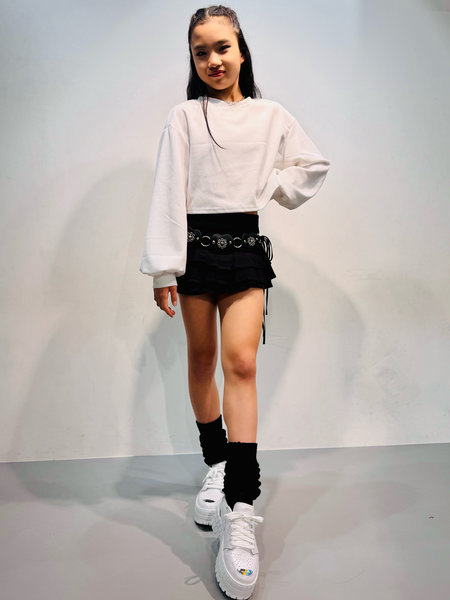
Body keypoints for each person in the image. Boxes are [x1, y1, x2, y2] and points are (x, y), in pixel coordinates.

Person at [139, 5, 330, 598]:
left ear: (241, 50)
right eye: (201, 52)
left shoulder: (271, 115)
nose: (213, 60)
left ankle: (240, 505)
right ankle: (217, 464)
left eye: (222, 47)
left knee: (241, 363)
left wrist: (271, 186)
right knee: (202, 361)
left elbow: (313, 165)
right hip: (194, 250)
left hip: (245, 249)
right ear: (192, 60)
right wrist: (164, 266)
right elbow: (168, 189)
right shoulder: (184, 116)